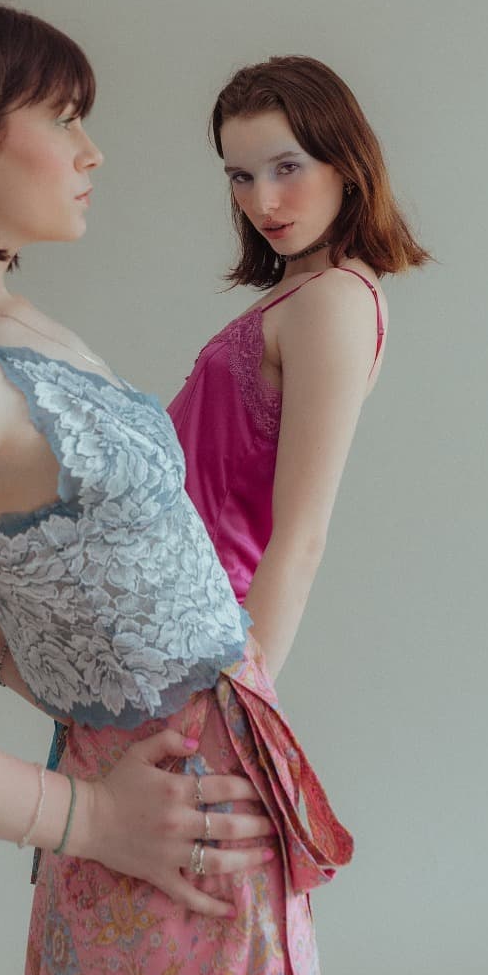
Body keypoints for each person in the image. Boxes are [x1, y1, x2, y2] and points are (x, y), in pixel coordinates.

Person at [0, 0, 353, 975]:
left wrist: (37, 665)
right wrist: (86, 817)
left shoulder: (6, 324)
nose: (92, 153)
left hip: (212, 796)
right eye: (61, 118)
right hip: (163, 836)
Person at [168, 55, 429, 677]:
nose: (264, 200)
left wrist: (239, 700)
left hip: (205, 646)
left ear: (345, 162)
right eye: (240, 176)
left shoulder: (334, 301)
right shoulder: (302, 293)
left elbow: (301, 534)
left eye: (288, 167)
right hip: (165, 630)